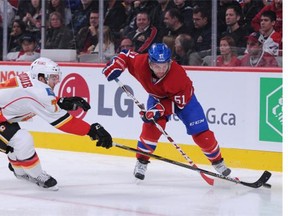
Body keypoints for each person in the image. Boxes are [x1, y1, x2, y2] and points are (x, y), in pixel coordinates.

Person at [102, 43, 232, 180]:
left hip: (185, 101)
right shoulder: (141, 63)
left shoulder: (177, 76)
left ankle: (218, 162)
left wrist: (158, 109)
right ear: (150, 62)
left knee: (201, 133)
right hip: (157, 98)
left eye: (165, 65)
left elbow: (179, 102)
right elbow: (126, 55)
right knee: (151, 128)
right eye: (157, 66)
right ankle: (142, 162)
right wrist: (117, 64)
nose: (161, 70)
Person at [0, 57, 113, 190]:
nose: (56, 81)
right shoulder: (38, 92)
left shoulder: (32, 78)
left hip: (4, 118)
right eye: (53, 77)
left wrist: (61, 101)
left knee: (15, 140)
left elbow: (36, 99)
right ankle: (35, 175)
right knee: (22, 140)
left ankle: (19, 171)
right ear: (42, 77)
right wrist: (91, 130)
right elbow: (65, 123)